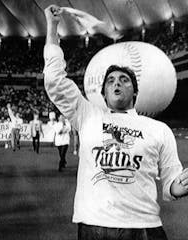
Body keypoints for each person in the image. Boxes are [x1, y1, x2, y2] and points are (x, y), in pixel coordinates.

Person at [44, 5, 188, 240]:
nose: (116, 83)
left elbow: (172, 180)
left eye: (124, 79)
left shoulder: (159, 130)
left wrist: (179, 186)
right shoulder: (88, 115)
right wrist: (52, 27)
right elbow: (54, 81)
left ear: (135, 92)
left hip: (144, 227)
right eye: (110, 80)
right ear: (103, 94)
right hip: (94, 226)